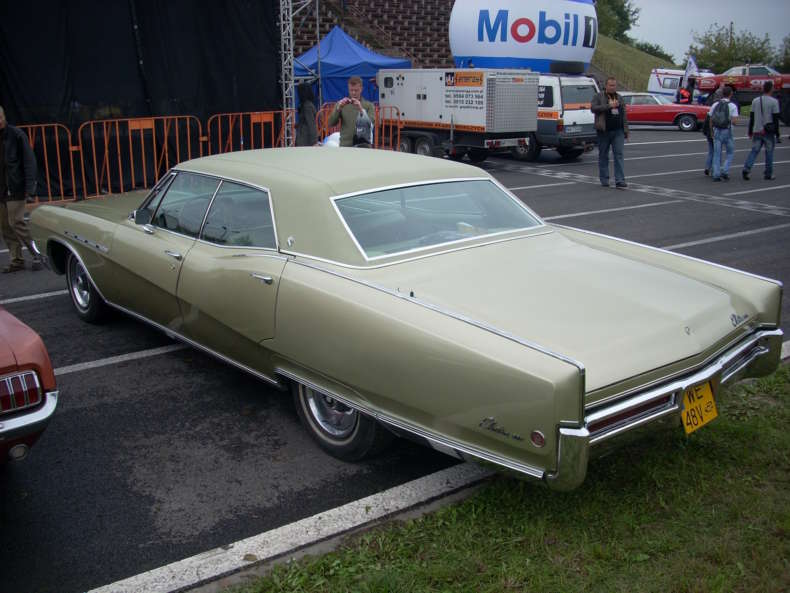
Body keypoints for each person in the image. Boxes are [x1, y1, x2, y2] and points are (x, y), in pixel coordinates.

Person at [0, 105, 42, 273]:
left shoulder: (16, 135)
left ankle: (38, 254)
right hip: (1, 190)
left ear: (3, 117)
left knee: (16, 222)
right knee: (5, 227)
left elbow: (29, 161)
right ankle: (16, 260)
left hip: (15, 187)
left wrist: (30, 188)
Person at [591, 76, 629, 189]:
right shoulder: (598, 96)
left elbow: (624, 115)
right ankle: (604, 179)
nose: (613, 87)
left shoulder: (619, 97)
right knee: (603, 155)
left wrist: (626, 130)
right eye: (611, 85)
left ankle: (620, 180)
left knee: (619, 155)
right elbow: (593, 108)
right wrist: (609, 106)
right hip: (604, 131)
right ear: (606, 86)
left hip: (618, 131)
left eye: (614, 85)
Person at [743, 81, 780, 181]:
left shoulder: (755, 100)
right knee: (769, 152)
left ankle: (747, 168)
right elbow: (776, 119)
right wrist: (777, 134)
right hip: (768, 131)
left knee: (754, 151)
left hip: (757, 129)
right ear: (771, 89)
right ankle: (768, 173)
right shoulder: (774, 102)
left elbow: (752, 117)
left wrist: (750, 131)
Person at [327, 76, 376, 148]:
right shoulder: (341, 104)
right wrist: (338, 109)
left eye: (356, 90)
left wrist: (361, 109)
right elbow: (331, 123)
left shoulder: (369, 105)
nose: (353, 93)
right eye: (351, 90)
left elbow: (371, 123)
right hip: (346, 145)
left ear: (361, 89)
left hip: (364, 145)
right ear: (348, 88)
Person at [708, 86, 739, 181]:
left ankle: (716, 174)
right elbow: (734, 121)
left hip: (717, 130)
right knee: (730, 152)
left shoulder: (715, 104)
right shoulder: (733, 106)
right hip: (727, 131)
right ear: (731, 94)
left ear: (722, 94)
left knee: (717, 154)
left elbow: (711, 119)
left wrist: (711, 131)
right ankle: (725, 171)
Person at [295, 82, 318, 147]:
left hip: (305, 139)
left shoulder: (307, 106)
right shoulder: (306, 105)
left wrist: (314, 141)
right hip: (303, 136)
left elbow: (311, 124)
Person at [701, 110, 714, 176]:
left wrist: (705, 133)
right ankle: (713, 169)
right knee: (717, 153)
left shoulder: (710, 112)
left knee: (711, 152)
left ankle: (707, 167)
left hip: (709, 134)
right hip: (716, 134)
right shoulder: (722, 111)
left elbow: (705, 124)